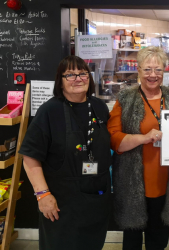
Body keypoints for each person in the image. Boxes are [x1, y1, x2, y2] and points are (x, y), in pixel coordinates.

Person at [19, 55, 112, 250]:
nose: (78, 79)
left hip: (96, 199)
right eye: (70, 75)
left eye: (82, 73)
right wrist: (42, 195)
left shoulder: (99, 107)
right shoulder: (49, 111)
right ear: (60, 81)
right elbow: (30, 156)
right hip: (62, 203)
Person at [107, 46, 169, 250]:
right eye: (147, 69)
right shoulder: (125, 99)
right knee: (132, 239)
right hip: (133, 181)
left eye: (158, 70)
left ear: (164, 71)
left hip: (166, 180)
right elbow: (114, 138)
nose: (153, 75)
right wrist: (143, 138)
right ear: (139, 70)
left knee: (158, 237)